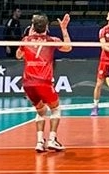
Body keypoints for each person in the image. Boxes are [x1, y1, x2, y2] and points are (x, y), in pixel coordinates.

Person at [20, 12, 71, 153]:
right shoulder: (52, 40)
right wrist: (64, 29)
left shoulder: (26, 40)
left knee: (41, 111)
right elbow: (68, 48)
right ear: (47, 27)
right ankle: (52, 140)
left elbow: (19, 55)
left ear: (32, 26)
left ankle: (39, 142)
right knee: (56, 109)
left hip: (28, 84)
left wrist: (29, 38)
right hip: (44, 82)